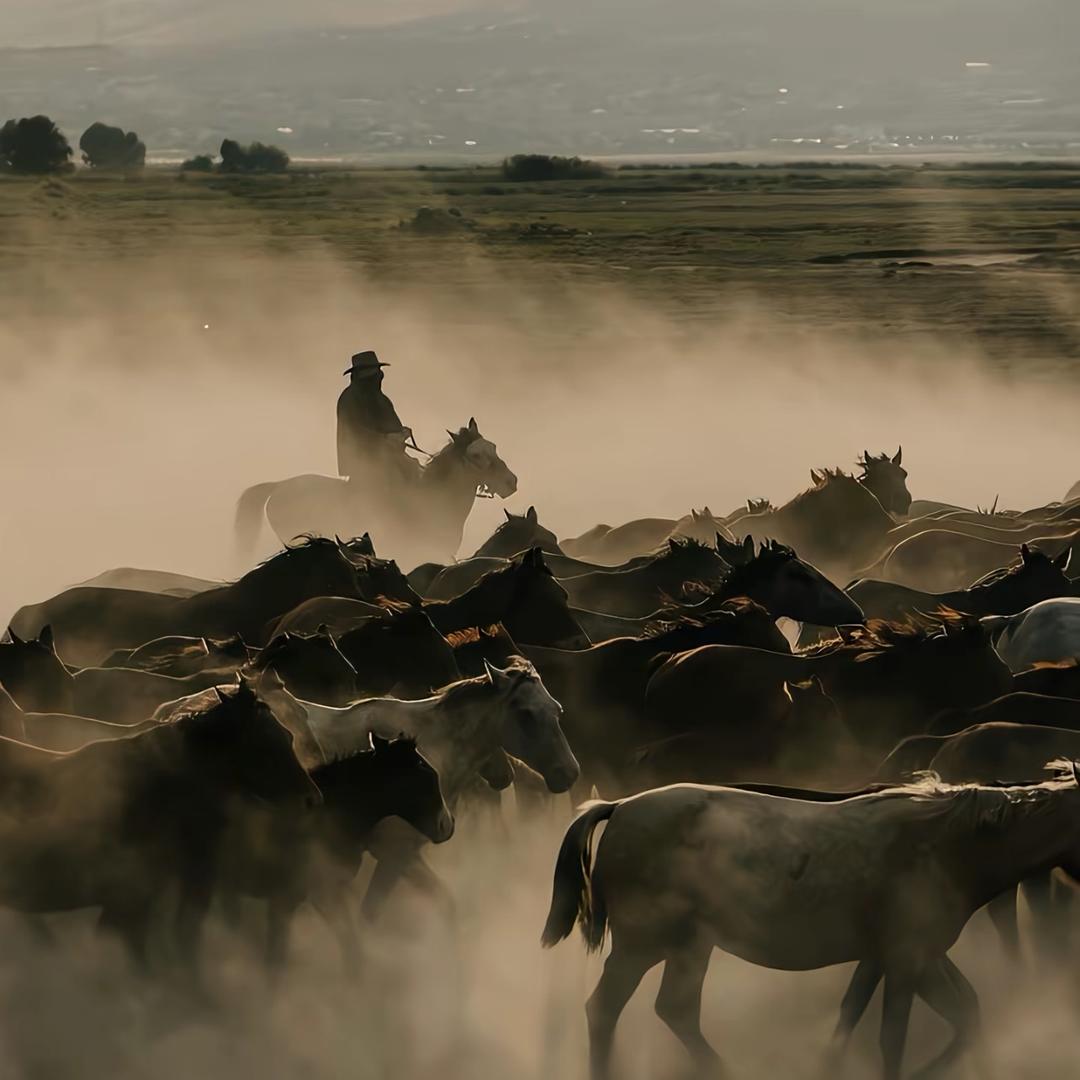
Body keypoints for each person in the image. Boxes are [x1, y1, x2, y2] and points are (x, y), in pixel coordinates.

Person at [336, 351, 420, 486]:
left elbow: (391, 425)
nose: (375, 374)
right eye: (369, 371)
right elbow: (354, 430)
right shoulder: (350, 398)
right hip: (363, 459)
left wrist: (400, 432)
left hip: (388, 458)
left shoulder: (381, 398)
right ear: (358, 374)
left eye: (375, 370)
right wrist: (386, 438)